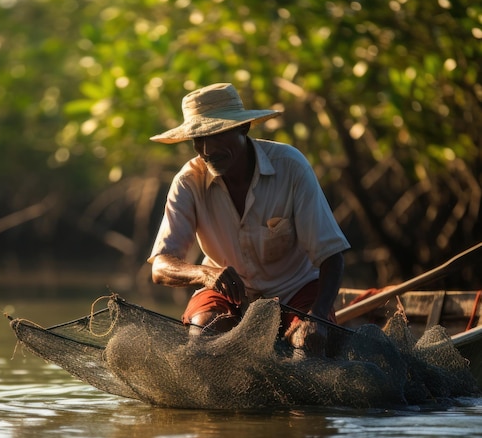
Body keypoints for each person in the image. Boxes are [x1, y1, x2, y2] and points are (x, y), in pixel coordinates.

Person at [147, 82, 350, 353]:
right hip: (227, 295)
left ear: (244, 128)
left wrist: (318, 317)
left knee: (308, 347)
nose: (207, 150)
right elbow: (160, 267)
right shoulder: (188, 181)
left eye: (215, 134)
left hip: (296, 290)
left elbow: (331, 256)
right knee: (204, 335)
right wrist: (205, 274)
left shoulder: (290, 166)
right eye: (198, 139)